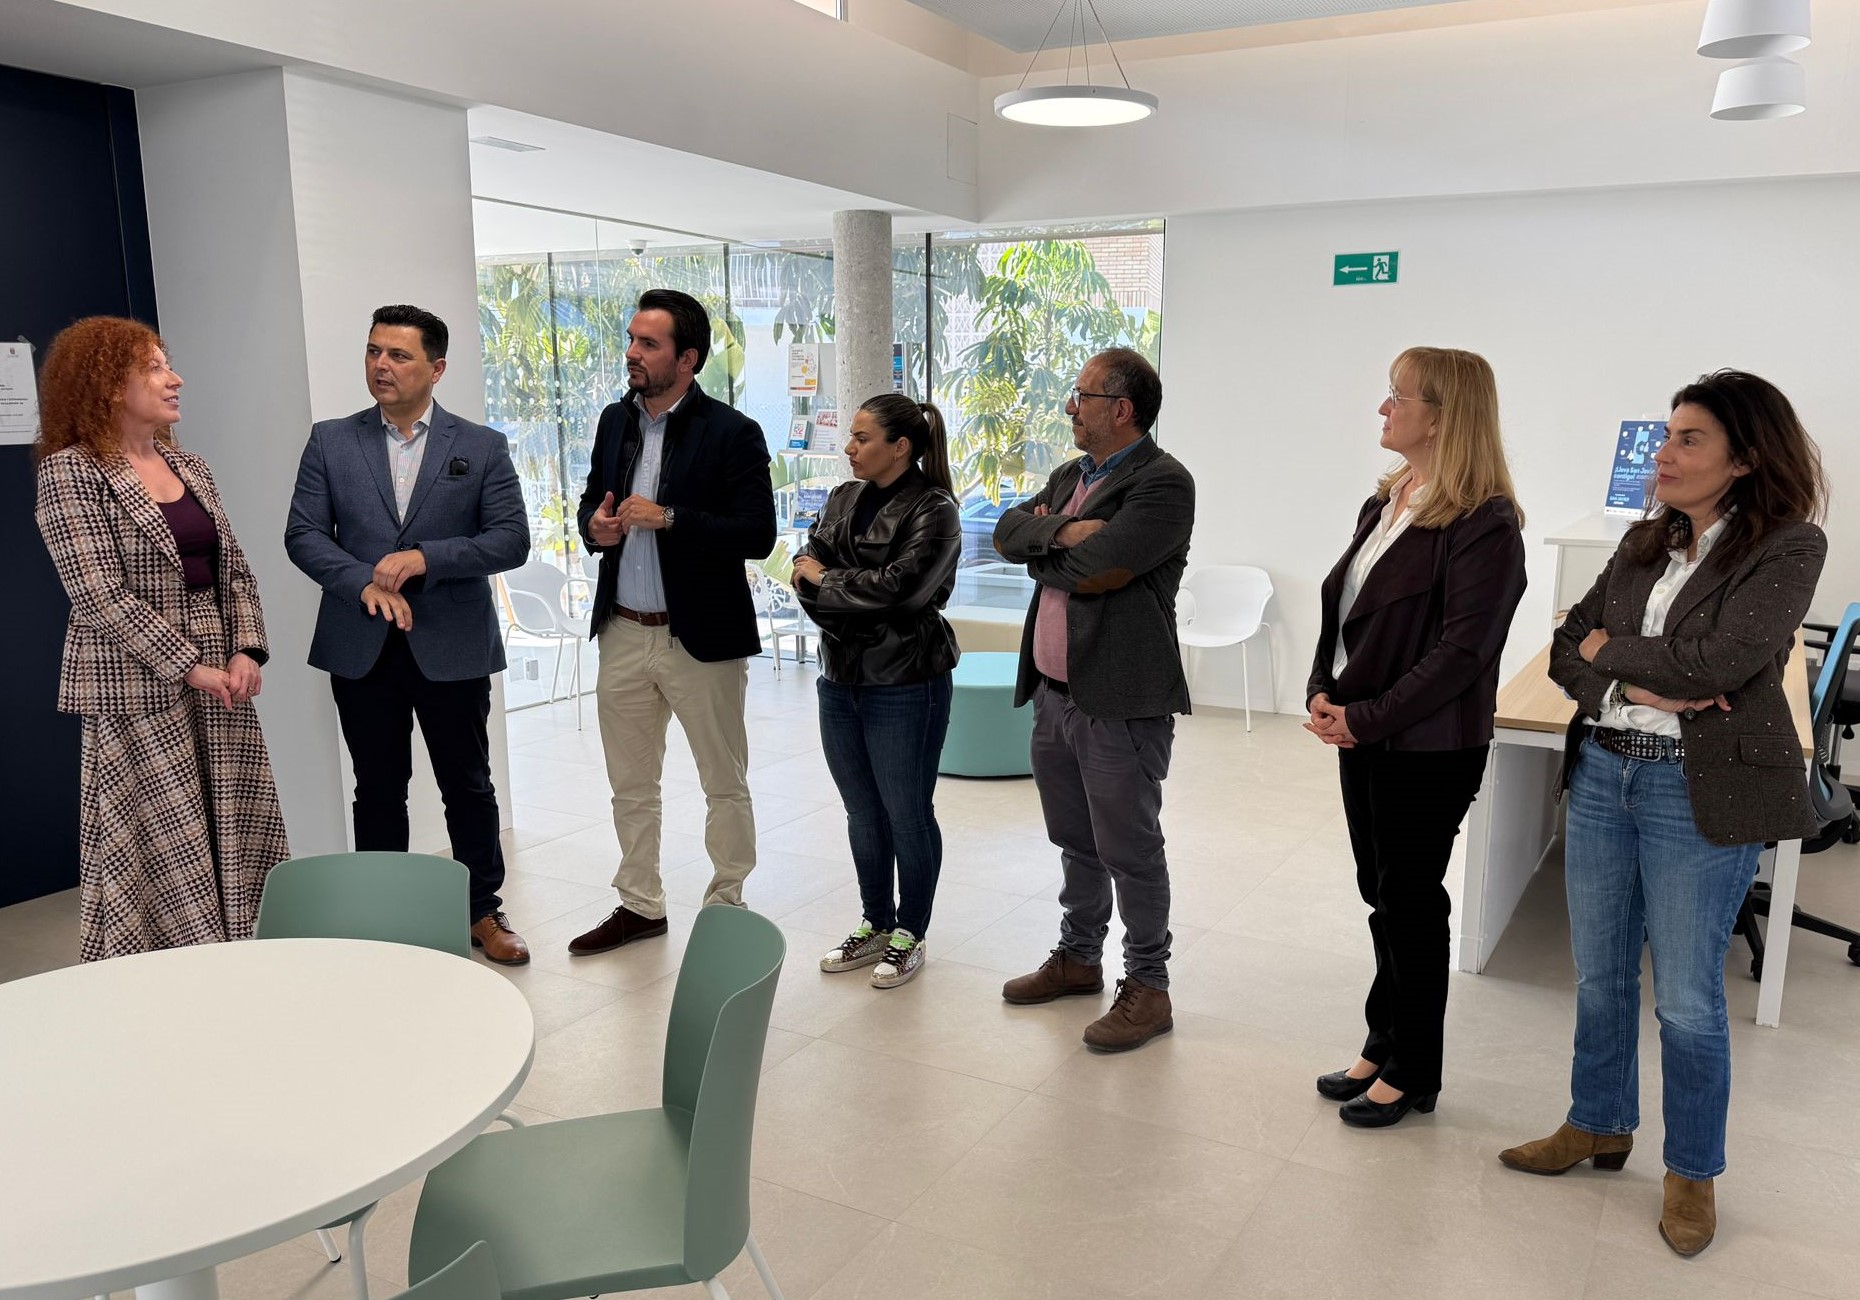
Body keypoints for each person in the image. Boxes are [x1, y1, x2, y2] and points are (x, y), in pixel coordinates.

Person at [1500, 370, 1828, 1257]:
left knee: (1686, 999)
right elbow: (1568, 643)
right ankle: (1598, 1123)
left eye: (1690, 439)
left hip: (1697, 789)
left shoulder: (1790, 546)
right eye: (1666, 435)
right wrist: (1633, 670)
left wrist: (1629, 655)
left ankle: (1692, 1172)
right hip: (1607, 772)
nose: (1664, 454)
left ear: (1746, 459)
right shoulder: (1647, 540)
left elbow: (1722, 660)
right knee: (1601, 973)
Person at [1304, 347, 1528, 1128]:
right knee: (1382, 894)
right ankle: (1381, 1040)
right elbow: (1345, 609)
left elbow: (1463, 654)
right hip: (1366, 731)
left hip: (1429, 745)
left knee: (1408, 900)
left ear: (1444, 415)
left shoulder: (1486, 522)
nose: (1383, 408)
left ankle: (1414, 1070)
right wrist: (1322, 691)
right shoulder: (1391, 499)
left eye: (1398, 397)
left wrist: (1362, 716)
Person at [33, 316, 290, 961]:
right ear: (107, 384)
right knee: (157, 841)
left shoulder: (189, 466)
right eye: (152, 367)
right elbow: (98, 595)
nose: (173, 378)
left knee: (233, 829)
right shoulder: (71, 473)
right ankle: (166, 981)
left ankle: (240, 958)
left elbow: (233, 567)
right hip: (134, 684)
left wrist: (244, 650)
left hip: (220, 682)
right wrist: (189, 665)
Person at [284, 304, 531, 963]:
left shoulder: (481, 447)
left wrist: (427, 557)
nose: (380, 366)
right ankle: (383, 913)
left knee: (467, 784)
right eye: (373, 352)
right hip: (359, 645)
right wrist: (361, 580)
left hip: (451, 645)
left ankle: (482, 911)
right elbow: (304, 535)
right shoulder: (330, 441)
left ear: (436, 368)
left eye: (397, 355)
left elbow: (510, 540)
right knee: (377, 785)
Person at [994, 348, 1194, 1053]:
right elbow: (1003, 532)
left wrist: (1051, 544)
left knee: (1130, 848)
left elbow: (1098, 571)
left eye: (1080, 395)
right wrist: (1057, 531)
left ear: (1123, 409)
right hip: (1054, 696)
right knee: (1074, 840)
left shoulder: (1164, 483)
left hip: (1118, 701)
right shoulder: (1069, 475)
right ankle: (1079, 957)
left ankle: (1148, 987)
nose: (1070, 407)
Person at [568, 289, 777, 954]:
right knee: (630, 782)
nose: (632, 353)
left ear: (687, 359)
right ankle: (640, 904)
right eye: (631, 339)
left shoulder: (732, 433)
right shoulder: (613, 422)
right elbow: (588, 504)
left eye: (648, 344)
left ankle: (726, 902)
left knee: (723, 779)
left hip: (701, 637)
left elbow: (758, 533)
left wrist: (671, 518)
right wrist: (593, 527)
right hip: (624, 630)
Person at [794, 394, 961, 989]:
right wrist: (837, 590)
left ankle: (910, 933)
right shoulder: (842, 499)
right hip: (839, 677)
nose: (849, 447)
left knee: (907, 814)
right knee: (862, 812)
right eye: (851, 436)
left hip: (906, 683)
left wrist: (829, 581)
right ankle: (875, 921)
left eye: (862, 438)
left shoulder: (933, 509)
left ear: (901, 447)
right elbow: (802, 571)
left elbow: (902, 593)